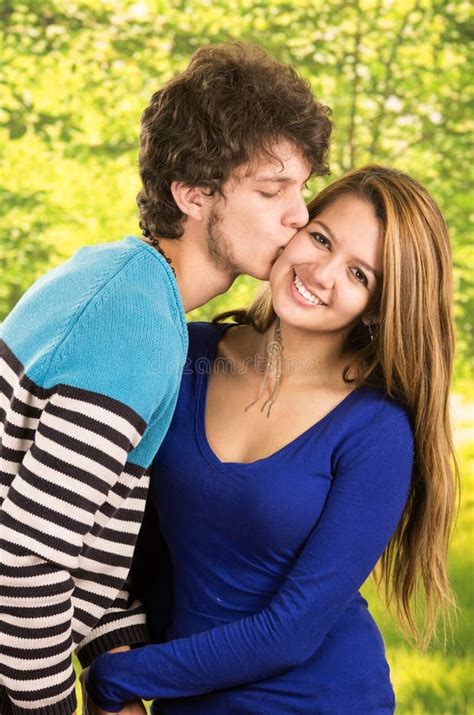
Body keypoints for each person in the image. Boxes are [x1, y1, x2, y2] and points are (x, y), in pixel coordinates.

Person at [0, 42, 332, 715]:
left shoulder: (123, 284)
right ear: (193, 193)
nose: (300, 214)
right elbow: (26, 567)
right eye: (272, 190)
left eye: (302, 188)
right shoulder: (135, 323)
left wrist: (114, 657)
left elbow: (88, 529)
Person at [85, 165, 458, 714]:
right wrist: (109, 647)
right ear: (296, 227)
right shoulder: (184, 354)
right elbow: (111, 530)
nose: (323, 272)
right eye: (321, 239)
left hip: (322, 699)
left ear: (380, 307)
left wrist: (118, 674)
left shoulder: (376, 429)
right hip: (181, 693)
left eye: (360, 275)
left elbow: (291, 631)